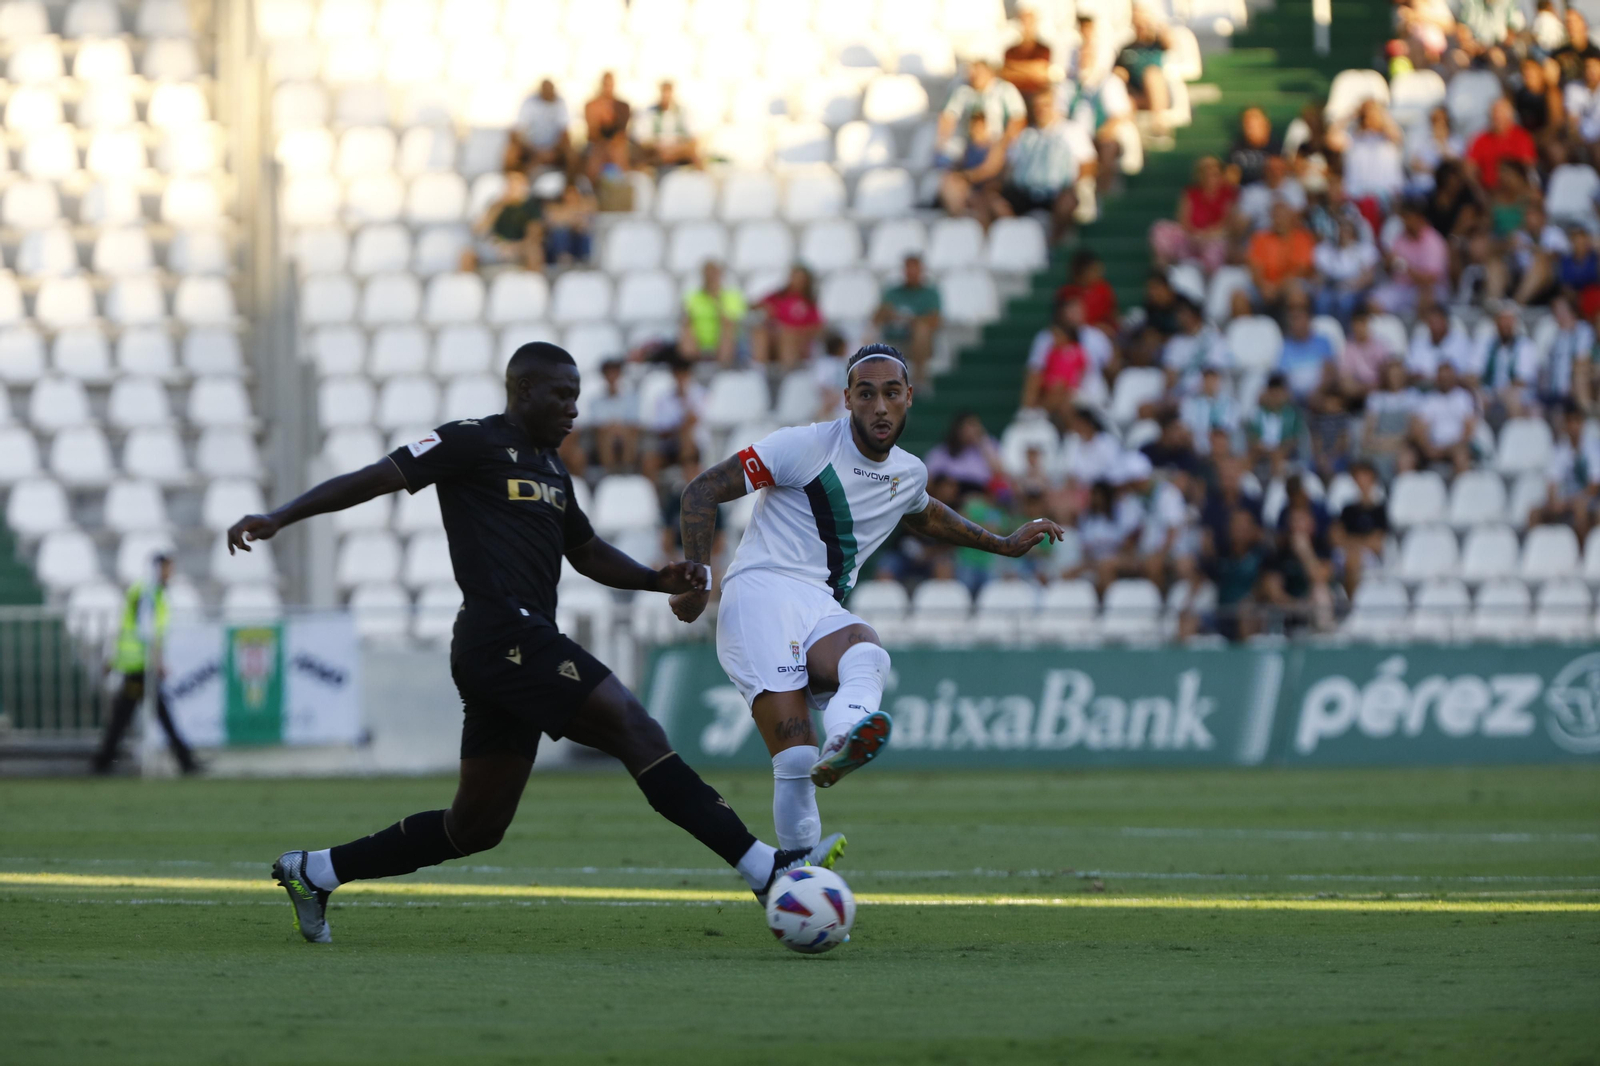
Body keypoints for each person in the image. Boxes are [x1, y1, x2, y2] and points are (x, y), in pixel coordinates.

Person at [228, 343, 838, 944]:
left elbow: (588, 552)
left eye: (577, 396)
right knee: (635, 728)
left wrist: (655, 579)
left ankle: (317, 871)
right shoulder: (472, 441)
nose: (574, 410)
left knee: (476, 826)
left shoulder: (552, 470)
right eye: (562, 395)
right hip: (502, 633)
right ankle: (765, 868)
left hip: (512, 646)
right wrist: (281, 517)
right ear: (523, 391)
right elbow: (376, 477)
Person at [670, 345, 1064, 851]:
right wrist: (699, 577)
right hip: (759, 593)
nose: (880, 406)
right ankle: (799, 869)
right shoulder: (803, 447)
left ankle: (842, 746)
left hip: (817, 603)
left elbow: (925, 513)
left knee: (867, 649)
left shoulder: (909, 473)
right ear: (847, 400)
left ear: (909, 398)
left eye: (891, 394)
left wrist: (1002, 543)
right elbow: (701, 490)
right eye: (867, 394)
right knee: (792, 757)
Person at [91, 552, 198, 775]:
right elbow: (146, 630)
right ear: (158, 569)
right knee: (148, 715)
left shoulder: (144, 591)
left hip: (136, 664)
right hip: (139, 665)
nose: (170, 574)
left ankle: (103, 761)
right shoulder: (149, 594)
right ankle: (186, 761)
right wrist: (156, 660)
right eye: (168, 569)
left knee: (128, 717)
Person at [1001, 90, 1088, 244]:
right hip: (1025, 193)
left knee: (1067, 202)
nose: (1041, 110)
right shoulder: (1024, 136)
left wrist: (1072, 185)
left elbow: (1088, 165)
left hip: (1057, 192)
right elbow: (1009, 168)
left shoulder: (1072, 131)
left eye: (1046, 105)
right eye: (1037, 106)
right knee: (994, 202)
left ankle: (1054, 247)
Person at [1150, 155, 1237, 272]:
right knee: (1160, 229)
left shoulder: (1228, 194)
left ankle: (1207, 281)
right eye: (1205, 173)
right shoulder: (1190, 192)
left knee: (1217, 247)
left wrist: (1206, 236)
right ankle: (1162, 275)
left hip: (1215, 238)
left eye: (1214, 173)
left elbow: (1227, 223)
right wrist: (1195, 235)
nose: (1210, 177)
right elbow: (1183, 220)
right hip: (1191, 237)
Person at [874, 255, 942, 384]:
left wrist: (911, 320)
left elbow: (935, 320)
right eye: (908, 269)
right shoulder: (892, 293)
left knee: (921, 330)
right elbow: (876, 318)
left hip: (918, 342)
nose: (911, 273)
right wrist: (886, 313)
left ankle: (919, 379)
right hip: (893, 337)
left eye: (914, 269)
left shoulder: (930, 293)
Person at [461, 169, 544, 272]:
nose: (513, 188)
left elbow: (534, 235)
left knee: (534, 252)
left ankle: (533, 284)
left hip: (519, 248)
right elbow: (479, 230)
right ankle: (467, 286)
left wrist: (515, 247)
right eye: (510, 184)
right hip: (496, 247)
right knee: (467, 254)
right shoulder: (496, 205)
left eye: (517, 185)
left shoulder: (530, 208)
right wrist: (499, 206)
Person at [1114, 5, 1172, 137]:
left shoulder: (1157, 44)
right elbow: (1119, 71)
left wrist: (1153, 24)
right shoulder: (1126, 48)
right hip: (1135, 93)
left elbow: (1170, 42)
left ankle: (1159, 123)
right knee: (1124, 97)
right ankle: (1130, 136)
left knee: (1152, 75)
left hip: (1157, 92)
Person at [1247, 202, 1316, 310]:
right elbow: (1255, 267)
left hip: (1288, 284)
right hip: (1265, 287)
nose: (1278, 220)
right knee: (1239, 296)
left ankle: (1296, 325)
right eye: (1275, 216)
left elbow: (1301, 270)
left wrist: (1277, 287)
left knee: (1295, 290)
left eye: (1282, 216)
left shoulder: (1303, 238)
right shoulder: (1261, 238)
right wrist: (1263, 286)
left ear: (1291, 218)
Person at [751, 266, 822, 369]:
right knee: (760, 333)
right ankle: (758, 371)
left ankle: (786, 374)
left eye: (800, 278)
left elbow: (817, 328)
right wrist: (765, 308)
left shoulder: (809, 303)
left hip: (796, 341)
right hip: (774, 337)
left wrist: (794, 331)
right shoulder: (777, 296)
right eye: (794, 277)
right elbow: (754, 306)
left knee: (787, 336)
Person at [679, 260, 747, 365]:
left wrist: (716, 299)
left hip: (725, 339)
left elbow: (729, 321)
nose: (710, 277)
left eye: (713, 274)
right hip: (699, 339)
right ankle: (691, 366)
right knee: (686, 329)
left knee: (728, 330)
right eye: (707, 274)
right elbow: (687, 319)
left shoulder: (732, 296)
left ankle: (722, 367)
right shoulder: (693, 296)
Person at [1464, 98, 1537, 194]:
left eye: (1501, 114)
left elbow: (1528, 167)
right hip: (1488, 192)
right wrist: (1479, 193)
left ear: (1510, 116)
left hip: (1515, 193)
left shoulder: (1522, 137)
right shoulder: (1480, 140)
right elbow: (1469, 169)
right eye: (1494, 115)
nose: (1497, 118)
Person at [925, 411, 1005, 496]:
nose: (972, 430)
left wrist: (982, 443)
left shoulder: (988, 445)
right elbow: (929, 479)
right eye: (968, 426)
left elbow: (999, 474)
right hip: (951, 496)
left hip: (980, 495)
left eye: (975, 426)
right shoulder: (943, 451)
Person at [585, 358, 639, 472]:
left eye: (615, 373)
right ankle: (610, 472)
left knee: (627, 433)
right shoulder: (596, 401)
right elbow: (598, 426)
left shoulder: (630, 398)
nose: (612, 377)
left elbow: (633, 423)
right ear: (604, 376)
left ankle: (626, 470)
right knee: (607, 436)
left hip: (624, 435)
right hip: (605, 436)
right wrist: (614, 428)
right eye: (609, 373)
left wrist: (616, 428)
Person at [506, 79, 571, 174]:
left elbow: (565, 133)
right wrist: (533, 150)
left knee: (571, 155)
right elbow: (517, 131)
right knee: (511, 153)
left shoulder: (560, 103)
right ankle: (511, 180)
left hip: (554, 149)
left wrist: (552, 151)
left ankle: (572, 185)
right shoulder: (530, 102)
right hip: (531, 148)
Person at [633, 80, 699, 170]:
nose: (666, 96)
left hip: (680, 155)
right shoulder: (648, 113)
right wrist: (660, 148)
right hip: (656, 155)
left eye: (669, 92)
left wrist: (674, 151)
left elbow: (694, 140)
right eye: (664, 92)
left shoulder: (684, 113)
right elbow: (642, 140)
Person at [583, 71, 632, 181]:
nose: (608, 88)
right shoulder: (592, 105)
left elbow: (622, 133)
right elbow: (592, 133)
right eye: (606, 84)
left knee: (618, 152)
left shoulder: (622, 106)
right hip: (596, 145)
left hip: (616, 145)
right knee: (597, 156)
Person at [540, 177, 596, 266]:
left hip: (577, 240)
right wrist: (572, 220)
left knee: (584, 234)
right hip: (558, 244)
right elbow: (551, 221)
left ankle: (585, 262)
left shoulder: (585, 205)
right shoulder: (555, 207)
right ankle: (564, 261)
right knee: (560, 232)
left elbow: (584, 222)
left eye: (573, 193)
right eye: (568, 193)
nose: (571, 196)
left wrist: (573, 221)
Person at [1001, 3, 1052, 98]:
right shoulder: (1010, 51)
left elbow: (1041, 73)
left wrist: (1014, 66)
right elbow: (1006, 74)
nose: (1026, 26)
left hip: (1037, 97)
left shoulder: (1044, 49)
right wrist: (1030, 70)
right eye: (1024, 21)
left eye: (1030, 22)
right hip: (1015, 97)